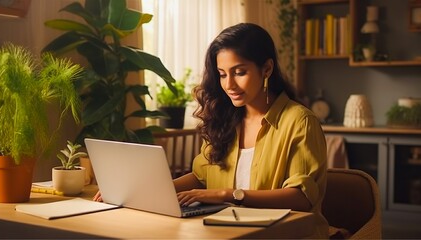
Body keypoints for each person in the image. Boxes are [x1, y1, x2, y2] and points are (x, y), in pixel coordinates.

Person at [95, 22, 329, 238]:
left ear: (266, 69)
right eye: (222, 74)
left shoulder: (300, 122)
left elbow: (301, 198)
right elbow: (200, 177)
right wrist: (134, 192)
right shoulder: (225, 118)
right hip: (225, 233)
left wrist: (228, 194)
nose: (229, 85)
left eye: (240, 72)